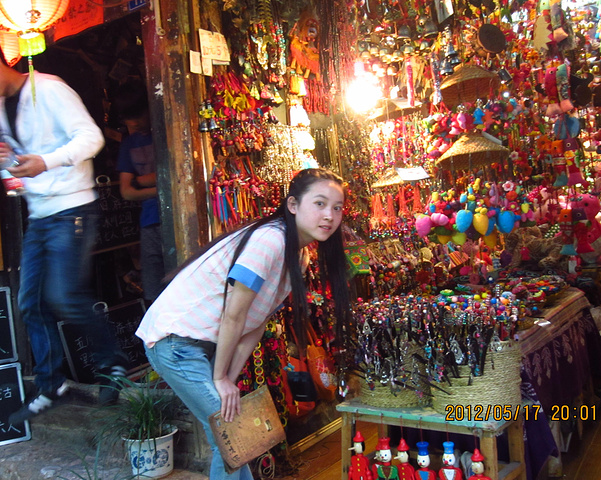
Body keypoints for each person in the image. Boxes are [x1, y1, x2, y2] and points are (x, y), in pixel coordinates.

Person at [136, 167, 352, 479]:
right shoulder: (270, 241)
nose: (329, 215)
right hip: (174, 342)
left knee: (236, 438)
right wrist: (220, 378)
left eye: (337, 207)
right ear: (293, 205)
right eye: (319, 204)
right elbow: (234, 315)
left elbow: (257, 322)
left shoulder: (299, 256)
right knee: (231, 435)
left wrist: (227, 378)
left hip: (199, 346)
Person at [0, 56, 128, 424]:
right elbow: (14, 172)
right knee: (30, 302)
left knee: (64, 296)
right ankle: (50, 384)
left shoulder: (49, 88)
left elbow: (92, 138)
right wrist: (10, 165)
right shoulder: (2, 109)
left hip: (73, 208)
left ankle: (112, 365)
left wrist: (46, 161)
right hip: (39, 214)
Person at [114, 80, 165, 304]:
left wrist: (142, 181)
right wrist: (162, 187)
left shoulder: (166, 133)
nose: (135, 123)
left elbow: (179, 174)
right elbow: (126, 192)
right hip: (149, 222)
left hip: (176, 217)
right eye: (129, 118)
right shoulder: (129, 144)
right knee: (154, 290)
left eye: (138, 116)